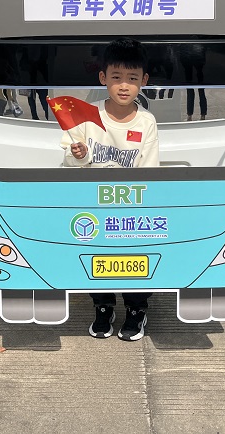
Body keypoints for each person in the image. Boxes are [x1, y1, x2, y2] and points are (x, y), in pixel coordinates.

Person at [60, 37, 159, 341]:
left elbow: (150, 170)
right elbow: (69, 160)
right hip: (93, 204)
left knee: (134, 258)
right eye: (116, 77)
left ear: (144, 81)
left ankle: (136, 308)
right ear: (103, 78)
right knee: (96, 256)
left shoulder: (147, 122)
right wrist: (78, 155)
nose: (124, 86)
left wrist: (143, 204)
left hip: (130, 206)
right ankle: (103, 306)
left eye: (132, 78)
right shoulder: (86, 115)